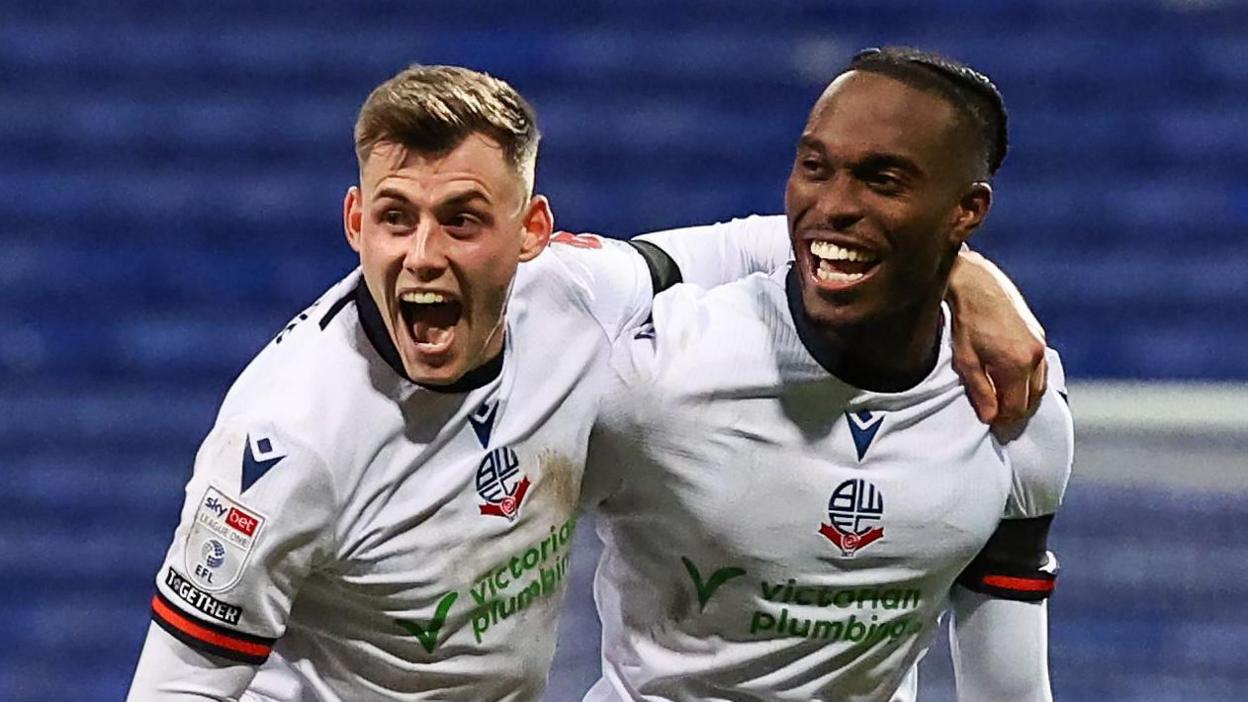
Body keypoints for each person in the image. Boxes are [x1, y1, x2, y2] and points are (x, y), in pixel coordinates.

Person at [126, 63, 1047, 701]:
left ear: (532, 232)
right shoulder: (287, 441)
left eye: (462, 220)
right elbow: (179, 681)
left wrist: (965, 274)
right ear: (354, 220)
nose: (421, 257)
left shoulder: (574, 304)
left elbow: (770, 242)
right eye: (395, 219)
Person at [583, 47, 1073, 702]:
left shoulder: (1012, 400)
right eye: (815, 168)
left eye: (883, 180)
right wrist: (962, 270)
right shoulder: (660, 367)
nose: (834, 204)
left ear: (967, 211)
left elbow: (1006, 688)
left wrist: (958, 273)